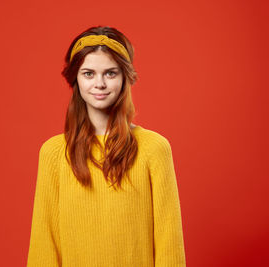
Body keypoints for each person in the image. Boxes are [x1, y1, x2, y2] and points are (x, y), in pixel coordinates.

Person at [27, 26, 186, 266]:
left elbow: (168, 241)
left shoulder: (154, 149)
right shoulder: (53, 153)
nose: (99, 83)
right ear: (75, 79)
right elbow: (44, 243)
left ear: (124, 78)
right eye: (88, 73)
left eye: (110, 73)